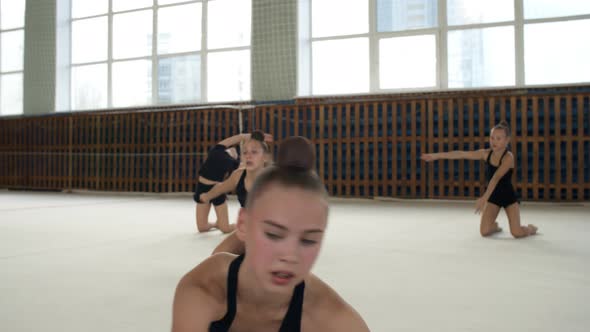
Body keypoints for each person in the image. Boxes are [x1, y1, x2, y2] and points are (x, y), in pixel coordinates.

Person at [172, 136, 370, 332]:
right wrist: (206, 196)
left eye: (309, 240)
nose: (290, 255)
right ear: (242, 223)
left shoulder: (333, 318)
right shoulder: (204, 288)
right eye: (274, 235)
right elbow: (223, 190)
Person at [420, 121, 538, 238]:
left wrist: (484, 198)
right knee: (484, 232)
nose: (494, 141)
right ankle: (494, 226)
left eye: (498, 138)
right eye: (492, 138)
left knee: (516, 233)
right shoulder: (486, 154)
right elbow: (461, 154)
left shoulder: (508, 157)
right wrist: (436, 156)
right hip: (494, 197)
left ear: (507, 140)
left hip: (509, 197)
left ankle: (530, 229)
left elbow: (495, 178)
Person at [200, 131, 271, 253]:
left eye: (254, 152)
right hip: (248, 228)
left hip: (271, 231)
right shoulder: (238, 176)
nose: (248, 156)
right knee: (217, 255)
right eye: (245, 152)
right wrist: (207, 196)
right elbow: (221, 187)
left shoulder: (273, 179)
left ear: (265, 157)